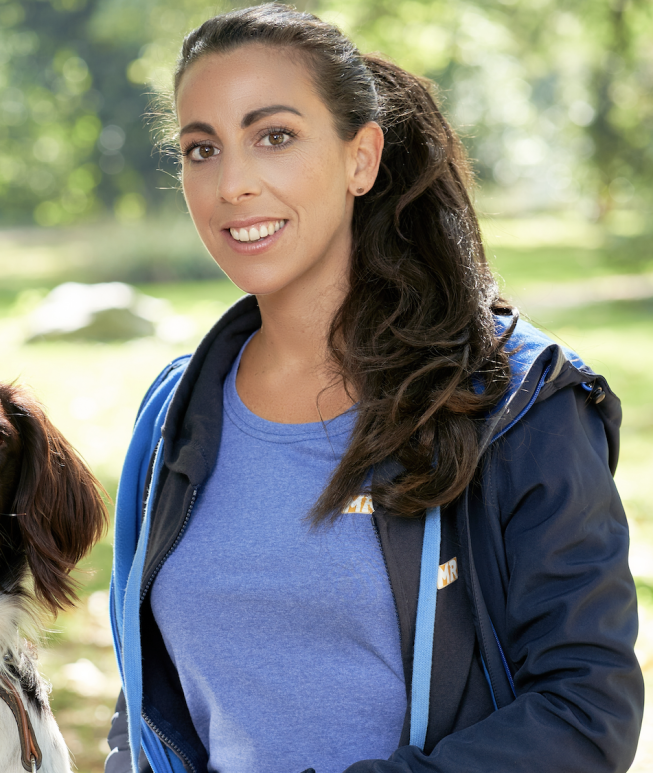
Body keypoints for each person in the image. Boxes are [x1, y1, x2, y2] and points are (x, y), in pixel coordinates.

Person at [105, 4, 643, 773]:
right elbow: (146, 696)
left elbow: (587, 709)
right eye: (201, 149)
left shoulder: (517, 404)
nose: (232, 183)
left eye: (275, 137)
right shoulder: (171, 417)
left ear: (362, 159)